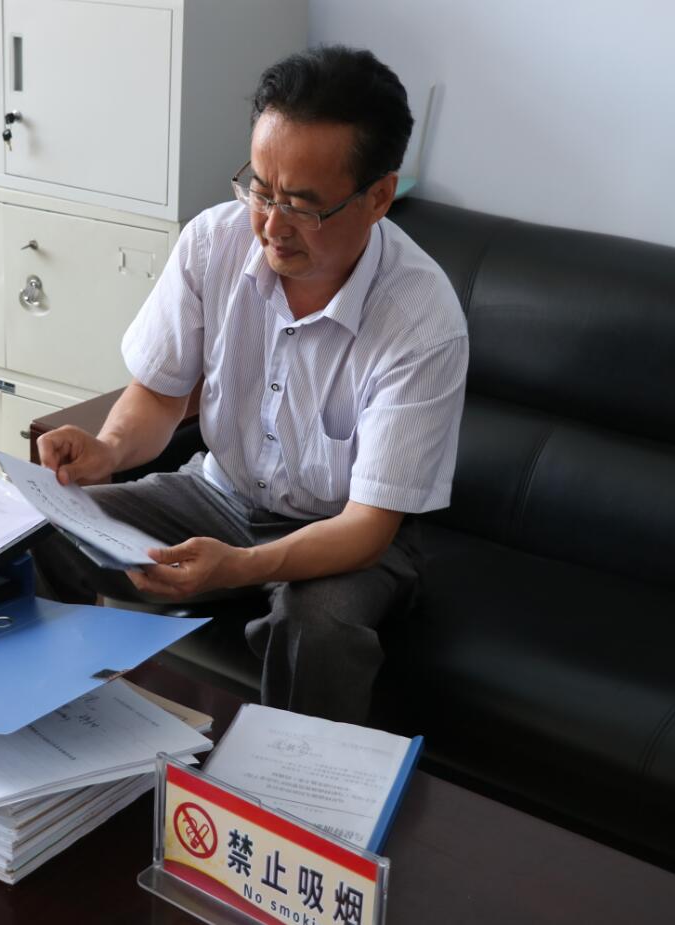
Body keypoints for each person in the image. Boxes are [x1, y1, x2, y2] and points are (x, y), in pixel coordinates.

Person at [33, 45, 468, 725]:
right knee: (42, 529)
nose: (270, 224)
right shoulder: (213, 241)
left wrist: (237, 565)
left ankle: (288, 792)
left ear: (378, 197)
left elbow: (367, 526)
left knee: (317, 627)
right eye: (260, 190)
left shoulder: (420, 319)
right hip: (217, 494)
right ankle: (47, 734)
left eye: (301, 206)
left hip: (344, 536)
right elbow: (160, 394)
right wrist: (109, 448)